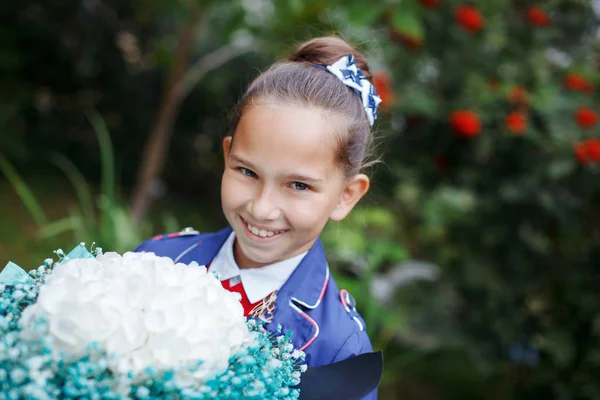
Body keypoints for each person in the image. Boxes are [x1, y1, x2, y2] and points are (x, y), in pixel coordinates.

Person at [135, 36, 382, 399]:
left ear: (346, 196)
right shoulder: (156, 261)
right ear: (227, 155)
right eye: (247, 172)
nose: (261, 208)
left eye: (298, 185)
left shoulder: (339, 349)